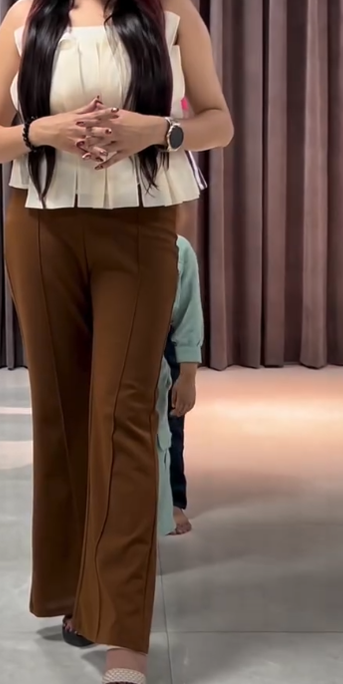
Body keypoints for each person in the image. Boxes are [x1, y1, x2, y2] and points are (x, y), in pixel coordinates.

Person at [0, 0, 233, 684]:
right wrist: (40, 130)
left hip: (140, 228)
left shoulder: (170, 12)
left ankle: (124, 633)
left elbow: (219, 123)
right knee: (62, 413)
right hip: (40, 227)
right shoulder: (24, 20)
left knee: (123, 413)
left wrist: (153, 131)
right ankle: (77, 592)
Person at [156, 220, 204, 539]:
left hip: (164, 340)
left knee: (172, 425)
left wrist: (187, 375)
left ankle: (173, 498)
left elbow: (188, 314)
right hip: (114, 342)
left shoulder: (179, 249)